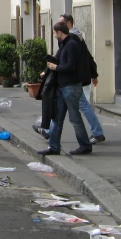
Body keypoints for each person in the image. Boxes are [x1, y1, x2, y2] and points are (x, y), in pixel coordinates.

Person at [33, 14, 105, 144]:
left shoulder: (71, 41)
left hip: (73, 80)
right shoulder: (73, 39)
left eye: (60, 24)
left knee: (77, 112)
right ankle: (50, 134)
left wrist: (51, 69)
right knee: (64, 111)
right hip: (73, 79)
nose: (56, 32)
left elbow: (70, 61)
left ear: (68, 25)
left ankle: (95, 134)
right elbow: (86, 57)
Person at [38, 21, 92, 156]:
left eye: (55, 33)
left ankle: (85, 145)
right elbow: (59, 60)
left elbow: (71, 66)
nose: (55, 36)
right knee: (57, 117)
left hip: (71, 87)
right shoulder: (63, 45)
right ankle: (54, 147)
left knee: (74, 118)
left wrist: (56, 68)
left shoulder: (72, 45)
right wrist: (48, 70)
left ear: (60, 33)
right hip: (62, 87)